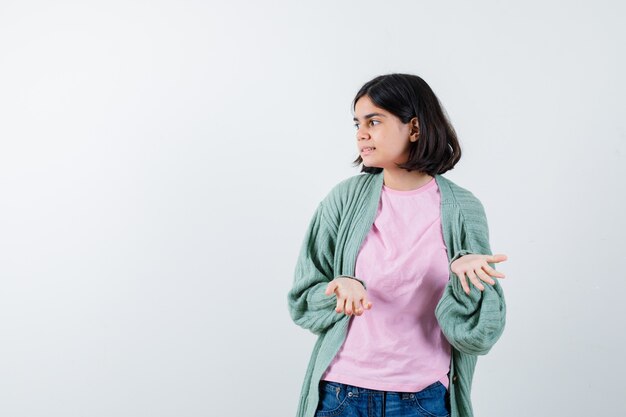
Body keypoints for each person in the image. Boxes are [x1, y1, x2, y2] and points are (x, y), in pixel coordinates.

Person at [287, 73, 508, 417]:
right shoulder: (344, 200)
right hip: (341, 395)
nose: (361, 133)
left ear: (415, 129)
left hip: (423, 400)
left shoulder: (463, 210)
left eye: (374, 121)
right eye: (357, 123)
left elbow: (480, 335)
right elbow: (303, 302)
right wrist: (338, 287)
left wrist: (466, 285)